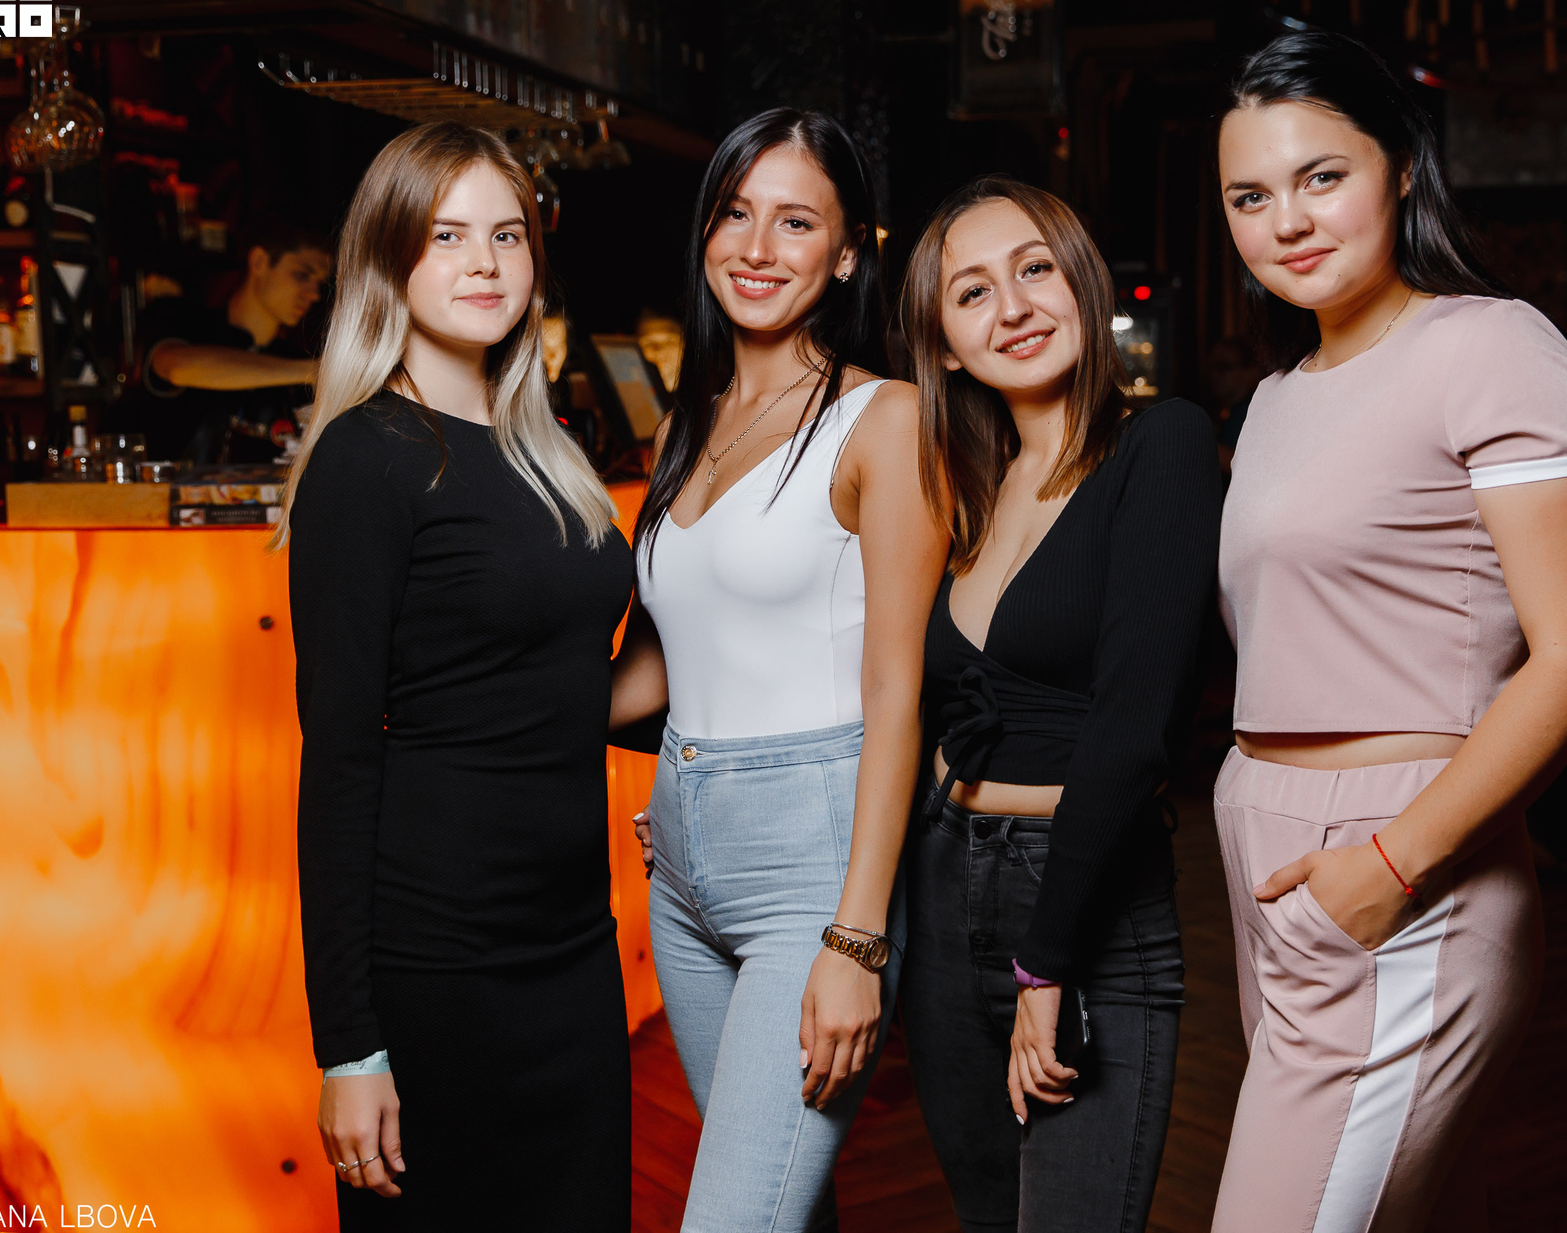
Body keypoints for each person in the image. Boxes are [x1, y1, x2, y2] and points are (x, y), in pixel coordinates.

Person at [1212, 30, 1567, 1228]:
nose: (1287, 220)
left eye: (1321, 176)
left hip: (1400, 854)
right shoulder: (1277, 394)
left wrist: (1388, 867)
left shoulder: (1488, 344)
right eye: (1250, 195)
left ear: (1400, 167)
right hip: (1269, 847)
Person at [280, 122, 630, 1230]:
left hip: (572, 954)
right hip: (438, 968)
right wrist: (349, 1046)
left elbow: (568, 687)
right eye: (446, 235)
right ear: (387, 258)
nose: (484, 262)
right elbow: (339, 764)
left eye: (507, 235)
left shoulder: (547, 452)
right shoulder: (366, 458)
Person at [611, 108, 946, 1231]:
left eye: (796, 222)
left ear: (847, 253)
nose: (757, 248)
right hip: (680, 855)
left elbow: (898, 691)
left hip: (813, 862)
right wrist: (472, 707)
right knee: (780, 1206)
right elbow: (661, 668)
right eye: (735, 214)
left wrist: (857, 937)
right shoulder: (692, 422)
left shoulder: (884, 419)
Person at [895, 175, 1221, 1232]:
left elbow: (1136, 730)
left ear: (1082, 283)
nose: (1014, 307)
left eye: (1035, 269)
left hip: (1082, 894)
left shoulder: (1161, 444)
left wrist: (1047, 959)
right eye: (972, 292)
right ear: (944, 345)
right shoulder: (970, 486)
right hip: (943, 882)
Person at [133, 216, 330, 462]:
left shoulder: (296, 357)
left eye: (319, 284)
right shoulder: (182, 321)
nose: (314, 294)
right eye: (302, 275)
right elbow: (177, 367)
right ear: (259, 261)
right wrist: (314, 371)